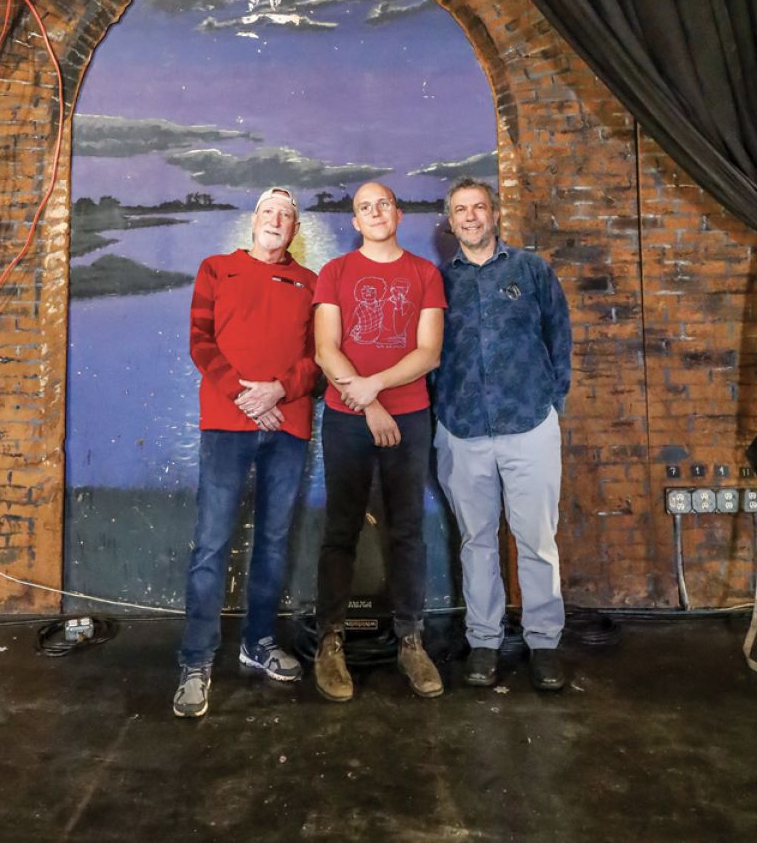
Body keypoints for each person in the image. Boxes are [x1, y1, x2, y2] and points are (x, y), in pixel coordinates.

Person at [173, 187, 318, 718]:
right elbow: (200, 340)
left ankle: (258, 644)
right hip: (226, 424)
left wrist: (277, 391)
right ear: (252, 221)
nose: (276, 221)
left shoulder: (310, 283)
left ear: (294, 230)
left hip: (289, 424)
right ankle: (196, 660)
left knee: (274, 542)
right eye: (268, 212)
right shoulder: (215, 269)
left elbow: (318, 359)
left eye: (286, 215)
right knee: (211, 544)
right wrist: (243, 394)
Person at [434, 177, 572, 692]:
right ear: (450, 221)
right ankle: (485, 642)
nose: (470, 217)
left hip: (528, 425)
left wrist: (552, 401)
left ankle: (544, 643)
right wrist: (441, 412)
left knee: (537, 541)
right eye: (460, 210)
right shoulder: (438, 284)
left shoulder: (531, 271)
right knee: (476, 541)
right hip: (462, 429)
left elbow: (560, 336)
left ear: (494, 214)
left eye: (479, 208)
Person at [312, 182, 446, 701]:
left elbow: (429, 351)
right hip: (349, 419)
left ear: (399, 212)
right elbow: (326, 349)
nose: (375, 212)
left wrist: (379, 389)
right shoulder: (335, 273)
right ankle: (330, 641)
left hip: (410, 418)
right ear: (355, 220)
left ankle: (410, 639)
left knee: (406, 529)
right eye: (364, 207)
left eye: (383, 204)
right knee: (341, 528)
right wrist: (368, 403)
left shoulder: (424, 273)